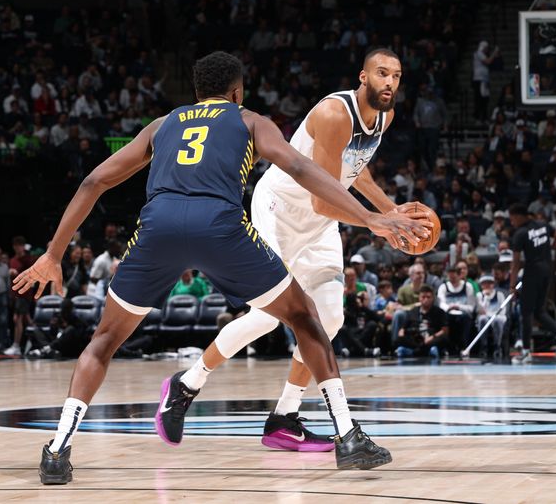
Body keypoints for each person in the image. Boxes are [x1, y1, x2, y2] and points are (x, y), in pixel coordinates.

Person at [14, 51, 428, 484]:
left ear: (196, 92)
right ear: (237, 91)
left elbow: (93, 181)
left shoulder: (163, 124)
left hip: (160, 228)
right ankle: (348, 436)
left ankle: (57, 452)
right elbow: (299, 166)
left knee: (102, 342)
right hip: (223, 228)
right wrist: (373, 220)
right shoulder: (251, 120)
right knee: (304, 319)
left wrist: (53, 254)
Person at [175, 48, 432, 454]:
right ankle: (188, 382)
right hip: (280, 209)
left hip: (321, 222)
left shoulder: (385, 116)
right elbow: (322, 200)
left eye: (396, 76)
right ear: (362, 77)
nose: (389, 83)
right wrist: (377, 224)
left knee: (329, 317)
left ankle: (284, 417)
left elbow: (354, 169)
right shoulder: (334, 114)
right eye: (381, 73)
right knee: (267, 316)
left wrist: (390, 209)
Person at [508, 203, 556, 364]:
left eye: (512, 218)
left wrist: (512, 285)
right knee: (538, 311)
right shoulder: (543, 225)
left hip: (532, 273)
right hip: (547, 272)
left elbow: (515, 263)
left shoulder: (520, 233)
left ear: (520, 216)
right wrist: (550, 248)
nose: (511, 222)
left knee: (525, 313)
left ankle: (526, 353)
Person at [395, 284, 449, 359]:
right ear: (419, 298)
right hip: (416, 339)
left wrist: (432, 337)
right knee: (399, 339)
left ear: (433, 298)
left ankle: (413, 352)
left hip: (431, 338)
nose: (426, 299)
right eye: (423, 297)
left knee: (443, 339)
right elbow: (402, 330)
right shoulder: (413, 311)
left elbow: (444, 330)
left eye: (428, 297)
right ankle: (424, 351)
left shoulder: (440, 312)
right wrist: (403, 334)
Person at [475, 274, 508, 362]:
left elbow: (503, 309)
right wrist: (486, 298)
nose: (487, 285)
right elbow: (481, 310)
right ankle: (484, 346)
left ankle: (497, 346)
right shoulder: (479, 295)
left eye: (490, 283)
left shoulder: (499, 294)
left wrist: (494, 315)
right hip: (485, 317)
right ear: (481, 285)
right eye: (485, 283)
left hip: (497, 316)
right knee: (482, 319)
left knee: (497, 321)